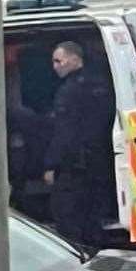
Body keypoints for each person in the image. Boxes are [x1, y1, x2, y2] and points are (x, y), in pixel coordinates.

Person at [43, 41, 116, 246]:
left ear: (75, 59)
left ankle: (76, 253)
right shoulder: (101, 84)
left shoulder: (70, 91)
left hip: (75, 164)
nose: (55, 66)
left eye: (59, 60)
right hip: (101, 159)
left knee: (66, 214)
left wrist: (51, 165)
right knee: (93, 214)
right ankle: (97, 248)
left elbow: (65, 132)